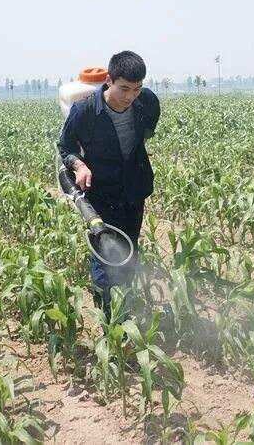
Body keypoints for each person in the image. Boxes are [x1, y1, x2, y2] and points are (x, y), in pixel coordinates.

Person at [57, 51, 160, 318]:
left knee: (129, 252)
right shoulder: (85, 111)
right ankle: (109, 321)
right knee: (104, 260)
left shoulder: (147, 103)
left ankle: (125, 307)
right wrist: (80, 165)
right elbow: (65, 146)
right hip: (101, 196)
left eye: (136, 89)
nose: (130, 96)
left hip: (134, 192)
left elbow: (146, 132)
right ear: (109, 81)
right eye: (124, 88)